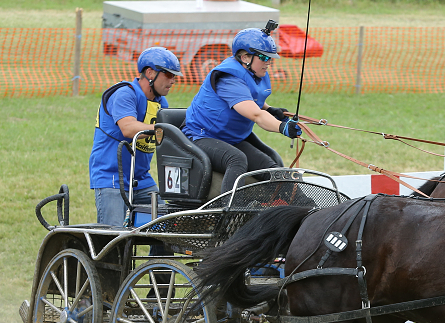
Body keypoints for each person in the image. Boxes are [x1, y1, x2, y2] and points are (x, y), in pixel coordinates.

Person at [183, 22, 302, 195]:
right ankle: (230, 210)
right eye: (264, 57)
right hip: (202, 136)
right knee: (236, 159)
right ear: (245, 57)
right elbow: (255, 114)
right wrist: (282, 127)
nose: (269, 63)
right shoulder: (229, 78)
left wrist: (271, 110)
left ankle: (303, 206)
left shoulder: (255, 72)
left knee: (269, 164)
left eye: (270, 58)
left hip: (230, 138)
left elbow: (254, 101)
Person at [89, 47, 182, 226]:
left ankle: (160, 255)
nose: (173, 81)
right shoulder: (124, 93)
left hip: (141, 179)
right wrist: (164, 128)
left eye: (174, 76)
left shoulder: (160, 102)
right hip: (112, 178)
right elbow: (128, 128)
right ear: (150, 73)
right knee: (115, 237)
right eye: (168, 75)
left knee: (167, 226)